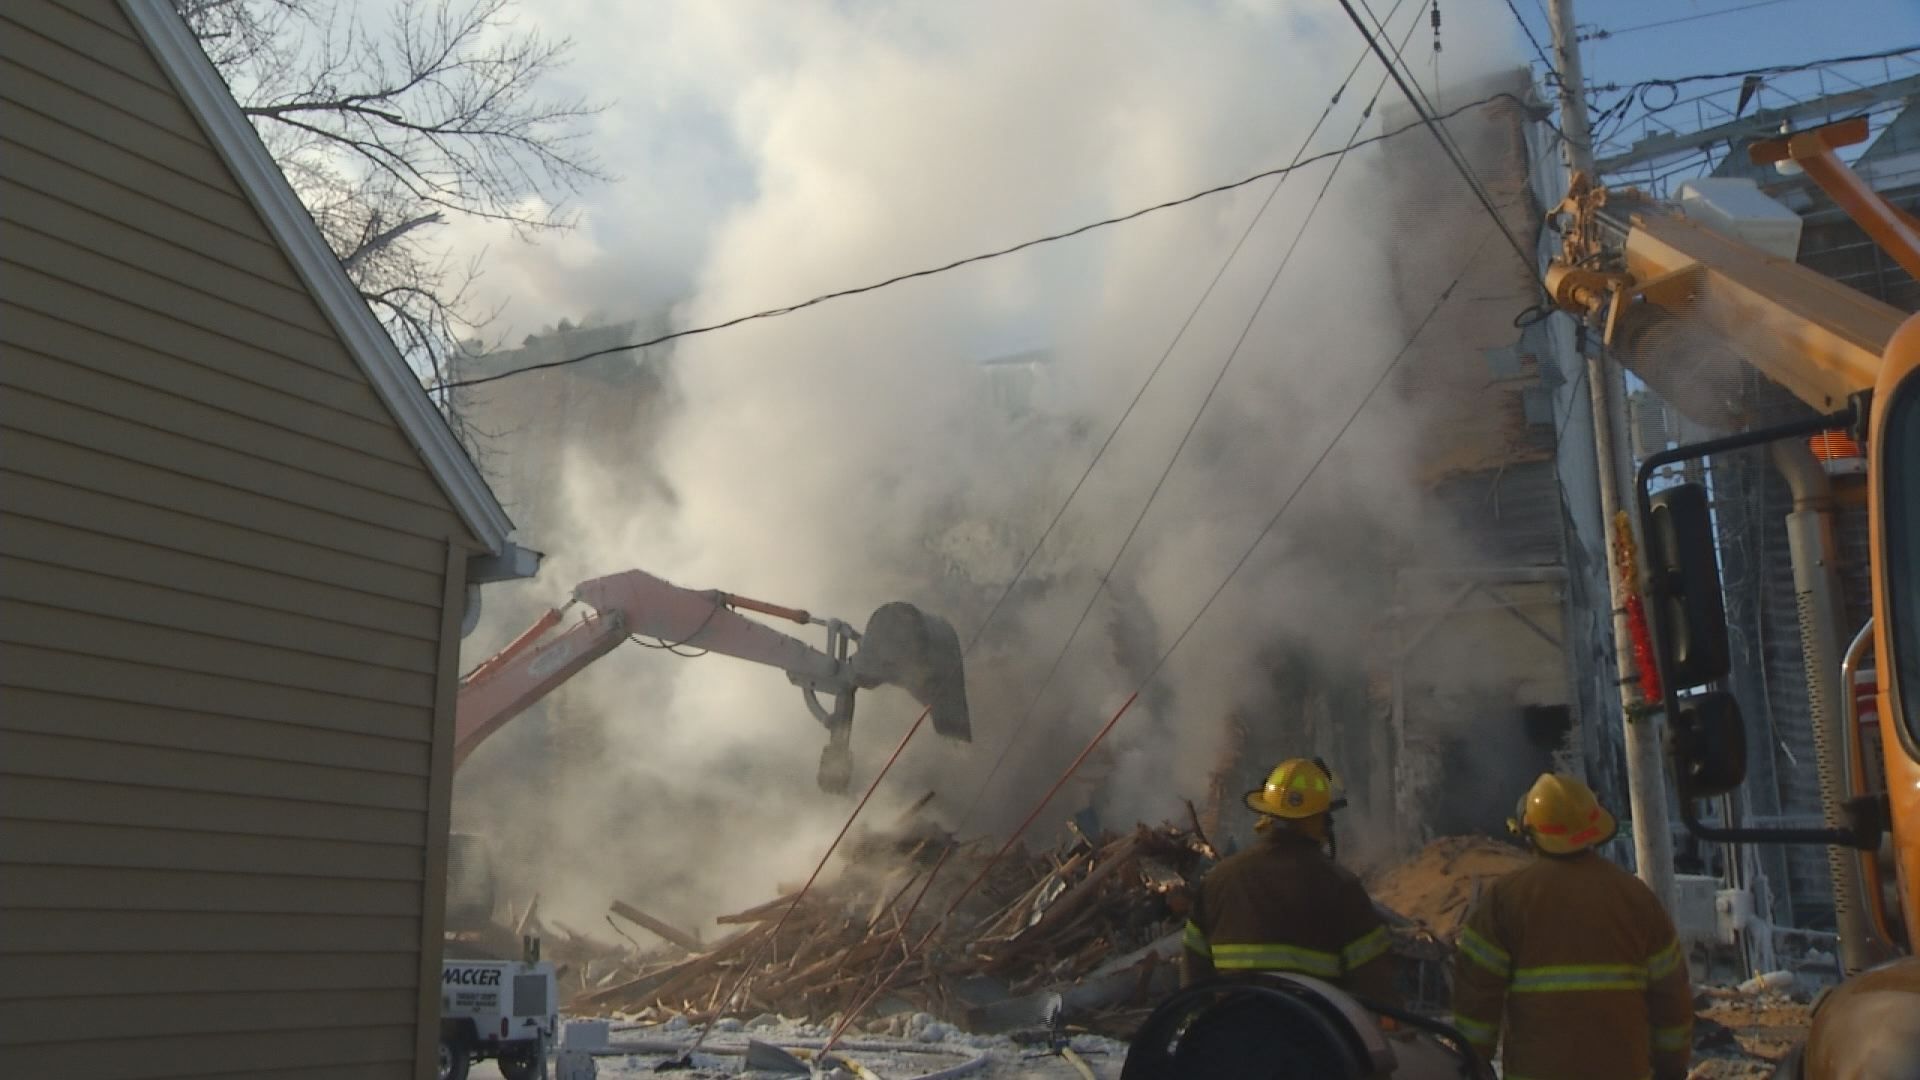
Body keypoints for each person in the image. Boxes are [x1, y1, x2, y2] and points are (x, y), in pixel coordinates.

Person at [1451, 773, 1693, 1080]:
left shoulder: (1506, 900)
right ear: (1594, 828)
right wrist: (1671, 1070)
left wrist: (1474, 1066)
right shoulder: (1636, 898)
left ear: (1529, 832)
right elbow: (1672, 999)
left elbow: (1476, 999)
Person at [1181, 757, 1398, 1005]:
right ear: (1319, 820)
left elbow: (1192, 980)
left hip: (1232, 1036)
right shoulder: (1341, 887)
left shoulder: (1217, 881)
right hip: (1315, 1037)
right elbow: (1375, 985)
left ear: (1265, 814)